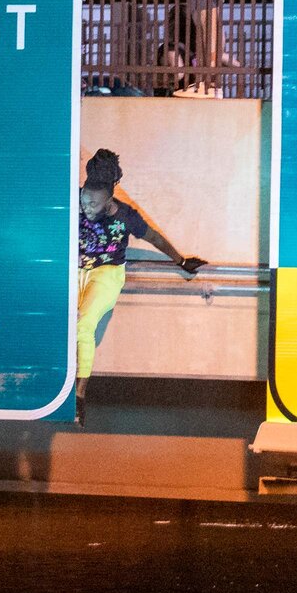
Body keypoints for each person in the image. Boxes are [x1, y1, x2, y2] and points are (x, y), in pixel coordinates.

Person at [76, 148, 205, 420]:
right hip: (75, 270)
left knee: (83, 326)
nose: (87, 209)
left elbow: (154, 238)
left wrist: (180, 261)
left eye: (93, 205)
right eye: (85, 202)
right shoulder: (74, 199)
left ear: (110, 199)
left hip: (107, 272)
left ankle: (79, 394)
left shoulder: (125, 216)